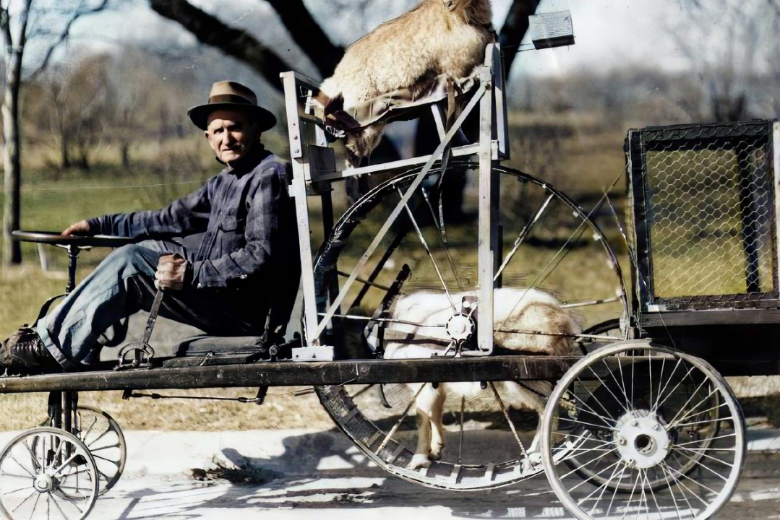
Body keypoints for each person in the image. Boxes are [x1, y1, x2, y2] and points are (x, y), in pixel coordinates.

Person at [0, 81, 300, 374]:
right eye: (218, 131)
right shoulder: (224, 181)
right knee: (146, 250)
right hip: (224, 298)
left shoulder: (267, 175)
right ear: (208, 138)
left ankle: (48, 347)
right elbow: (165, 219)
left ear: (256, 130)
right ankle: (57, 341)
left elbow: (261, 255)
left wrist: (192, 273)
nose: (227, 138)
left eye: (235, 127)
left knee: (132, 262)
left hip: (245, 312)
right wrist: (99, 225)